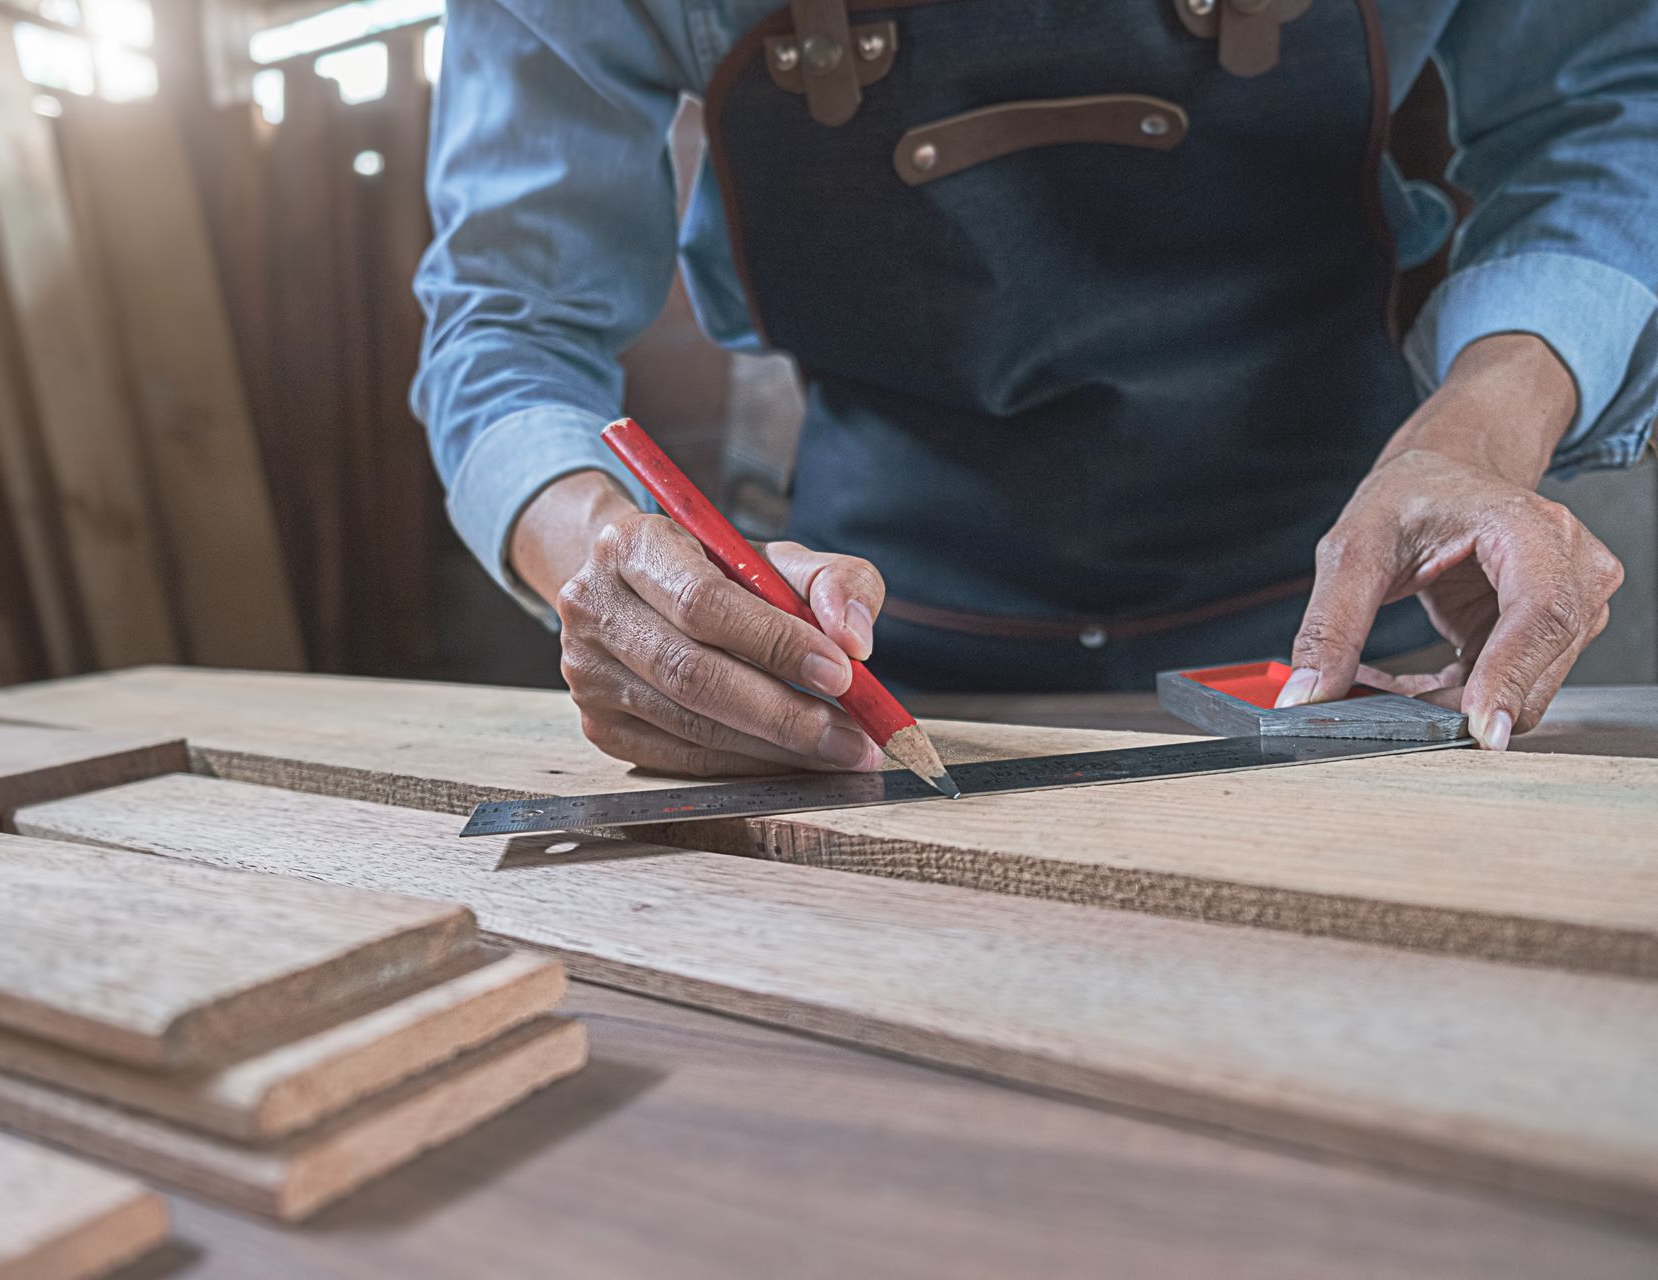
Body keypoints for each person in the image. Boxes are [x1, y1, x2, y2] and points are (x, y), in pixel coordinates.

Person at [412, 1, 1656, 776]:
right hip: (872, 673)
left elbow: (1606, 112)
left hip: (1361, 638)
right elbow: (505, 324)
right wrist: (616, 561)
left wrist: (1482, 434)